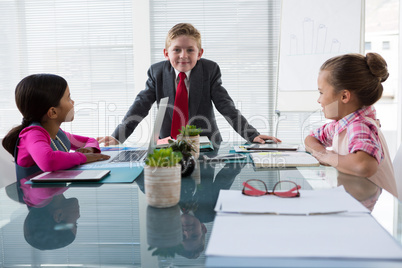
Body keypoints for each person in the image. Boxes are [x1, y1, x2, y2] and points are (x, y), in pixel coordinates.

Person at [97, 23, 280, 147]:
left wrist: (251, 134)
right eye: (177, 50)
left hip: (206, 144)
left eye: (190, 50)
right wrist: (117, 137)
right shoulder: (157, 72)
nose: (183, 55)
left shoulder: (209, 70)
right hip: (167, 145)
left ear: (199, 53)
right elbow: (140, 106)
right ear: (166, 53)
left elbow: (226, 106)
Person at [304, 53, 398, 198]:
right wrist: (321, 153)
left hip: (374, 212)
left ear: (344, 97)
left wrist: (328, 157)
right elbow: (310, 138)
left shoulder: (359, 125)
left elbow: (364, 165)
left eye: (321, 92)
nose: (319, 100)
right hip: (359, 201)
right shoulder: (341, 124)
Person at [2, 74, 110, 180]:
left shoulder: (57, 133)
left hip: (54, 194)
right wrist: (84, 157)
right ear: (53, 112)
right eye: (68, 99)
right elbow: (48, 161)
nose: (73, 102)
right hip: (34, 196)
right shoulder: (32, 134)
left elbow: (89, 140)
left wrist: (89, 149)